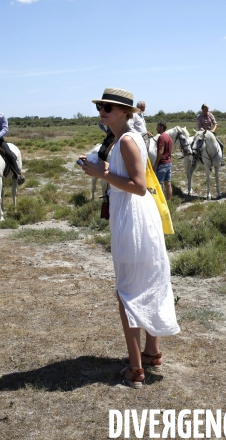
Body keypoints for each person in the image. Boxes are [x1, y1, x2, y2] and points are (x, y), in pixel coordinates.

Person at [80, 87, 179, 389]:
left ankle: (136, 369)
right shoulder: (126, 138)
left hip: (133, 217)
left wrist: (101, 175)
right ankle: (151, 352)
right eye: (101, 106)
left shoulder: (125, 140)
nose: (103, 111)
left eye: (108, 107)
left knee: (127, 291)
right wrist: (107, 170)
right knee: (148, 281)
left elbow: (138, 185)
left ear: (125, 112)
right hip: (137, 215)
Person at [153, 121, 173, 200]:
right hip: (168, 163)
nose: (156, 128)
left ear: (161, 127)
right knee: (168, 184)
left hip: (162, 164)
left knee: (159, 184)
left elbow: (161, 151)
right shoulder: (168, 137)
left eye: (157, 126)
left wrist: (155, 164)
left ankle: (160, 202)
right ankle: (168, 201)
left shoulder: (161, 137)